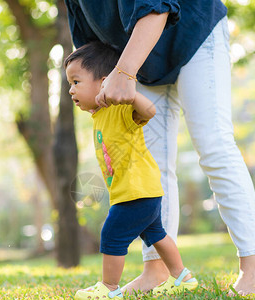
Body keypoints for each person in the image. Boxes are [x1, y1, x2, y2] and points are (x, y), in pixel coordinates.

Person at [64, 0, 255, 296]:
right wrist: (103, 83)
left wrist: (124, 73)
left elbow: (156, 7)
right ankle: (157, 271)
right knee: (152, 165)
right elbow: (90, 49)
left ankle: (254, 268)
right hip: (137, 61)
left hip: (192, 33)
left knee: (214, 145)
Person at [65, 41, 199, 299]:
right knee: (157, 235)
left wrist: (130, 92)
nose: (71, 90)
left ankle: (109, 288)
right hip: (140, 190)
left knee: (111, 234)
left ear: (104, 82)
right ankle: (183, 277)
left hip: (136, 191)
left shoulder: (120, 108)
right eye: (70, 83)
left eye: (76, 82)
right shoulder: (99, 115)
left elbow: (149, 111)